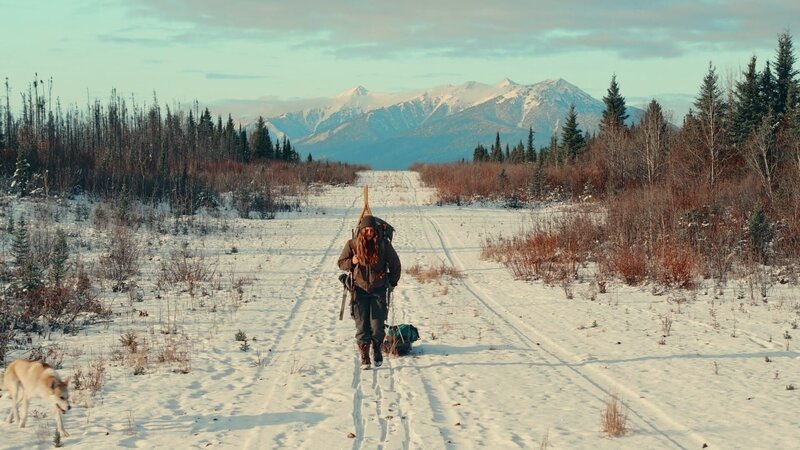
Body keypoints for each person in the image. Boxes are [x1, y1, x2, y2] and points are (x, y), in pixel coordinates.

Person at [338, 215, 401, 369]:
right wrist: (352, 262)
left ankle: (377, 348)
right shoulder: (352, 244)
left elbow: (395, 264)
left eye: (371, 230)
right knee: (362, 326)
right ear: (361, 230)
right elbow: (341, 263)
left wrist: (392, 282)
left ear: (375, 231)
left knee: (377, 326)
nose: (368, 233)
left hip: (378, 290)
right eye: (366, 230)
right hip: (358, 291)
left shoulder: (383, 245)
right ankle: (365, 356)